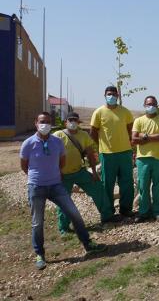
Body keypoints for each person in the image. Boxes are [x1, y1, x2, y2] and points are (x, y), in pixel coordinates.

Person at [20, 112, 106, 270]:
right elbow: (24, 165)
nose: (44, 124)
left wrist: (53, 174)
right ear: (36, 123)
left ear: (51, 123)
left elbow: (62, 161)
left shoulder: (57, 142)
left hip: (56, 185)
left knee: (74, 213)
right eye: (42, 122)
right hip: (36, 187)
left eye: (47, 122)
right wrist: (36, 177)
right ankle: (40, 254)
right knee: (37, 222)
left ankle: (88, 244)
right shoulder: (28, 143)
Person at [53, 112, 115, 234]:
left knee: (98, 189)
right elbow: (51, 156)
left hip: (79, 171)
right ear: (65, 122)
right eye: (70, 120)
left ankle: (107, 216)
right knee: (63, 200)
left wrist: (94, 172)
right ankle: (64, 228)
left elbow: (90, 154)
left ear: (79, 122)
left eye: (75, 120)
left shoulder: (84, 135)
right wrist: (56, 173)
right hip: (62, 175)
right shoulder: (57, 136)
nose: (73, 122)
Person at [90, 86, 135, 217]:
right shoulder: (98, 112)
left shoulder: (125, 112)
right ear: (104, 95)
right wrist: (100, 146)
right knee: (107, 184)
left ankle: (126, 209)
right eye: (109, 94)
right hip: (107, 154)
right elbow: (92, 132)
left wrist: (131, 146)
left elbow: (130, 130)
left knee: (127, 182)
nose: (112, 96)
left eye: (115, 94)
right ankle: (108, 211)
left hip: (125, 153)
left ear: (118, 96)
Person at [132, 96, 159, 223]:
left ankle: (158, 211)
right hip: (142, 159)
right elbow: (134, 139)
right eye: (148, 104)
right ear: (144, 105)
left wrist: (144, 136)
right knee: (143, 186)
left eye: (153, 104)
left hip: (158, 157)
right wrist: (149, 137)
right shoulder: (138, 121)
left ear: (157, 106)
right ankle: (143, 212)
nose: (151, 106)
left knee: (158, 185)